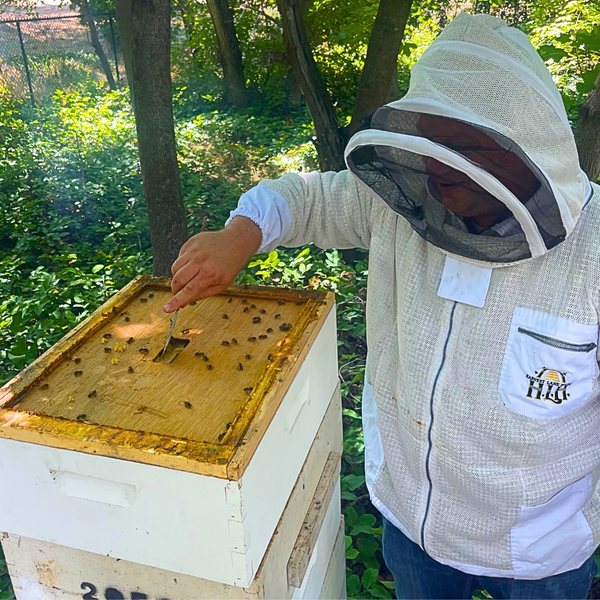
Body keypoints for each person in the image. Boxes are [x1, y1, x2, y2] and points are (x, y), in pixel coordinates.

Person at [164, 11, 600, 600]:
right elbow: (304, 198)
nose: (445, 171)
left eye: (469, 149)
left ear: (524, 146)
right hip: (410, 517)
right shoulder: (398, 204)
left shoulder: (592, 251)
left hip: (539, 552)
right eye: (435, 147)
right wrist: (239, 235)